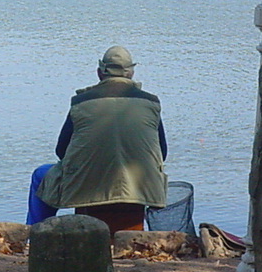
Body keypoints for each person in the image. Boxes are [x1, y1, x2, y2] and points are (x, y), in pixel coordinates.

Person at [27, 46, 168, 233]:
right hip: (141, 187)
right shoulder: (151, 103)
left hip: (89, 187)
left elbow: (61, 151)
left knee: (40, 175)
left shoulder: (81, 102)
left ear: (100, 72)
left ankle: (35, 234)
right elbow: (162, 153)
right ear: (131, 73)